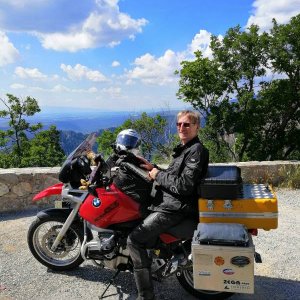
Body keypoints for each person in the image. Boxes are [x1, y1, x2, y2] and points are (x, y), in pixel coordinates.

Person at [127, 110, 209, 300]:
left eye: (187, 124)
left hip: (175, 208)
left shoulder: (196, 150)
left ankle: (145, 296)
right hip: (171, 203)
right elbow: (176, 175)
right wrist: (153, 167)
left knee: (135, 239)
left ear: (197, 127)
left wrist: (157, 175)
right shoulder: (186, 148)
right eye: (179, 124)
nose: (182, 128)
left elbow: (184, 185)